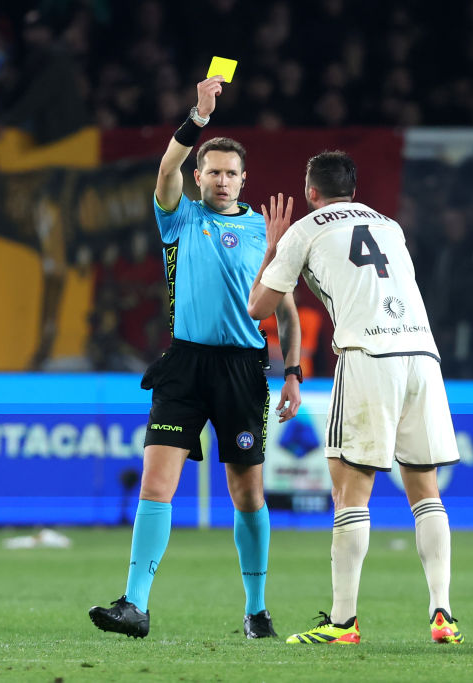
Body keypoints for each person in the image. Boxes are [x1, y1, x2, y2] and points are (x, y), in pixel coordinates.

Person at [88, 76, 303, 640]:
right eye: (213, 172)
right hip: (183, 365)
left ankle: (256, 609)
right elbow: (164, 171)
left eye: (232, 173)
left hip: (242, 368)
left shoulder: (264, 229)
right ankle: (134, 604)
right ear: (199, 177)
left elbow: (283, 310)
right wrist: (198, 118)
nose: (223, 181)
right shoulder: (178, 217)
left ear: (244, 179)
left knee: (247, 494)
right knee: (156, 484)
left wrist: (294, 373)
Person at [248, 151, 463, 645]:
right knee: (426, 492)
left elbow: (258, 307)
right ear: (354, 188)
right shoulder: (389, 225)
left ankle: (343, 622)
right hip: (422, 356)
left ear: (310, 191)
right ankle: (443, 613)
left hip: (368, 354)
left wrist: (274, 248)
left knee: (350, 493)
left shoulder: (305, 228)